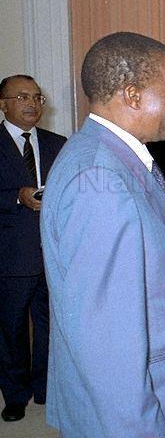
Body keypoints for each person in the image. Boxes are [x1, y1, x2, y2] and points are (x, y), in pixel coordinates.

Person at [40, 32, 165, 437]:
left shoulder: (113, 158)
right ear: (133, 96)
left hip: (159, 391)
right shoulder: (99, 176)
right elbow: (106, 346)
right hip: (140, 410)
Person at [0, 75, 66, 422]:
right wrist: (16, 197)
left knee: (50, 325)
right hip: (10, 256)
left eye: (38, 97)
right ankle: (15, 394)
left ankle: (45, 387)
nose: (32, 103)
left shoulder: (59, 143)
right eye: (22, 96)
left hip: (52, 253)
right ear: (3, 103)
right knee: (11, 329)